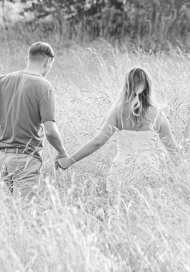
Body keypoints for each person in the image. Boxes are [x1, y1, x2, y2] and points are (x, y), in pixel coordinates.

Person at [55, 66, 179, 200]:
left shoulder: (118, 112)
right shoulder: (158, 114)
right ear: (148, 85)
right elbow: (174, 150)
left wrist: (70, 160)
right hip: (149, 171)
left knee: (120, 213)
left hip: (121, 171)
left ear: (127, 85)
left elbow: (98, 142)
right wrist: (180, 178)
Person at [0, 41, 68, 197]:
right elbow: (50, 130)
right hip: (26, 159)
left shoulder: (2, 80)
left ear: (26, 59)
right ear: (48, 62)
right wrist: (62, 152)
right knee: (25, 213)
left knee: (10, 214)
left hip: (3, 158)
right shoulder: (44, 85)